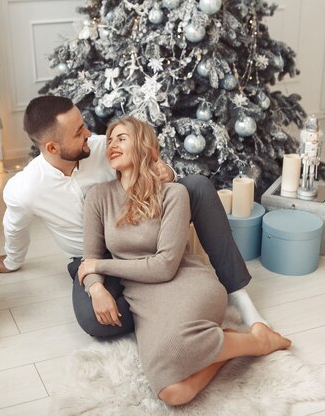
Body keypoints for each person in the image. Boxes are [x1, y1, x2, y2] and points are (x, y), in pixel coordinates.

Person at [0, 95, 265, 337]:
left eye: (83, 124)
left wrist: (167, 171)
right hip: (93, 259)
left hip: (141, 236)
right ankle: (167, 300)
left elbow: (148, 160)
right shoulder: (26, 189)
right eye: (78, 132)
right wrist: (12, 261)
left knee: (198, 186)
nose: (88, 134)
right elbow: (15, 226)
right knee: (96, 323)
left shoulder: (102, 148)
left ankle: (237, 293)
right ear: (51, 147)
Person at [77, 116, 291, 405]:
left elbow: (164, 266)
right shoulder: (98, 198)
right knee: (173, 393)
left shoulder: (173, 193)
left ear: (144, 146)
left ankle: (251, 341)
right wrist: (96, 286)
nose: (113, 144)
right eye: (111, 139)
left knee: (181, 346)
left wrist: (100, 267)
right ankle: (241, 343)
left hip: (186, 283)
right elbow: (89, 258)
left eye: (122, 138)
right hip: (143, 298)